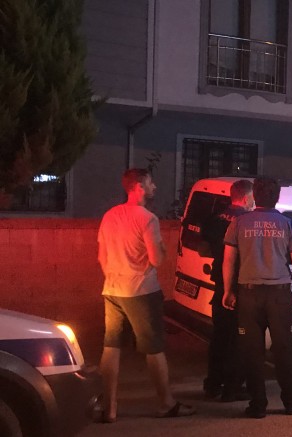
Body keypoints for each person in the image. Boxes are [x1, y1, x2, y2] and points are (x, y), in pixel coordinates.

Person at [97, 168, 196, 422]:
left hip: (113, 290)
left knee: (111, 346)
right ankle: (166, 403)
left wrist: (115, 276)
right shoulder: (148, 219)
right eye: (151, 183)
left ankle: (109, 408)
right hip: (141, 291)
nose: (155, 187)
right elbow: (157, 259)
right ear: (139, 187)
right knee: (154, 348)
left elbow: (102, 256)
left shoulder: (109, 216)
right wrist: (162, 247)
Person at [222, 177, 292, 418]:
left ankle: (257, 405)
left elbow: (229, 260)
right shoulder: (289, 224)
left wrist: (228, 290)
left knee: (252, 351)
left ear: (255, 196)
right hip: (279, 294)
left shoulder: (238, 223)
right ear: (277, 197)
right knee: (284, 349)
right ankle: (291, 402)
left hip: (248, 294)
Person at [201, 179, 254, 402]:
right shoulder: (247, 221)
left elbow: (203, 246)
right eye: (252, 198)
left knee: (220, 336)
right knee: (239, 337)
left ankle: (213, 384)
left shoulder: (214, 218)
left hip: (219, 284)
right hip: (239, 284)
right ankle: (233, 387)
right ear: (246, 198)